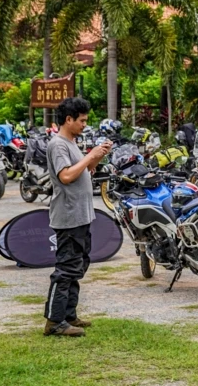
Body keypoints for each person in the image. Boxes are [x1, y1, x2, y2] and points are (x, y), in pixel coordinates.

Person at [43, 97, 112, 337]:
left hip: (80, 216)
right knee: (65, 269)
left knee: (76, 267)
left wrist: (97, 156)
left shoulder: (72, 143)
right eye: (81, 120)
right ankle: (54, 321)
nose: (84, 124)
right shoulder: (58, 145)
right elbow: (66, 176)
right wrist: (89, 156)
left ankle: (69, 315)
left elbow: (85, 170)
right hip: (68, 216)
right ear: (68, 119)